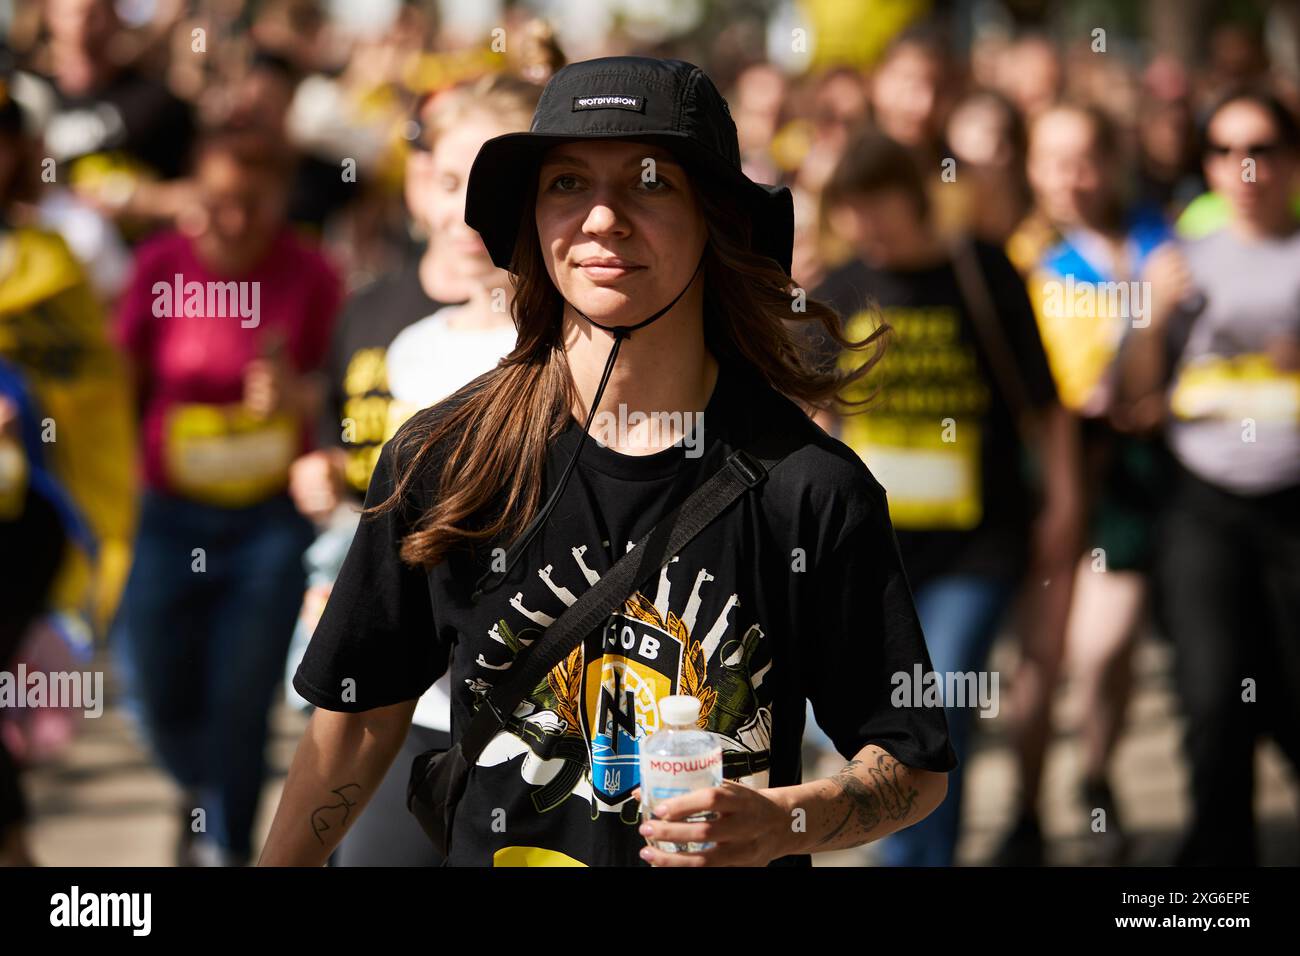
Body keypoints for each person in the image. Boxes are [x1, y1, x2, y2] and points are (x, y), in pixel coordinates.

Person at [260, 55, 953, 868]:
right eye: (566, 184)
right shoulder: (444, 462)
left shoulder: (810, 489)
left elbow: (910, 762)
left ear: (717, 220)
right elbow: (360, 715)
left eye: (650, 182)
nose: (601, 218)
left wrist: (784, 820)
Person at [284, 74, 539, 866]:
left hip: (540, 723)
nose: (468, 207)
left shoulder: (574, 354)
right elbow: (390, 515)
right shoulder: (410, 345)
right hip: (404, 707)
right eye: (452, 180)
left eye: (493, 182)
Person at [813, 129, 1079, 867]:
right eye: (853, 211)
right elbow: (817, 414)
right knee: (890, 711)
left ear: (913, 195)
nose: (869, 227)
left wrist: (1063, 503)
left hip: (978, 543)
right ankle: (912, 852)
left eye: (881, 206)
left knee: (945, 693)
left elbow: (1044, 403)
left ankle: (913, 858)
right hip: (874, 550)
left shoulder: (982, 272)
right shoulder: (839, 286)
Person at [112, 126, 341, 866]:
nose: (227, 219)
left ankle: (228, 847)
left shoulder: (313, 275)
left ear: (277, 198)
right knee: (154, 687)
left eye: (247, 202)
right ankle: (203, 786)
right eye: (212, 200)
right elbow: (124, 382)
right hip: (169, 515)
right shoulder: (158, 266)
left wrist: (294, 399)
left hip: (267, 527)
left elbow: (341, 398)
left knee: (242, 702)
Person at [1121, 88, 1300, 866]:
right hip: (1203, 504)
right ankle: (1213, 879)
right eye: (1225, 151)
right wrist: (1152, 320)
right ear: (1207, 166)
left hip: (1294, 507)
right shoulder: (1178, 265)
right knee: (1212, 695)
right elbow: (1132, 403)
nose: (1246, 166)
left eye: (1261, 146)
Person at [999, 102, 1173, 865]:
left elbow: (1147, 380)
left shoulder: (1155, 241)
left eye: (1085, 158)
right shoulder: (1020, 256)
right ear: (1031, 168)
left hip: (1129, 473)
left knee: (1102, 649)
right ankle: (1027, 812)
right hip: (1046, 469)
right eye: (1052, 159)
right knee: (1041, 657)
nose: (1071, 177)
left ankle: (1097, 777)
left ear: (1112, 159)